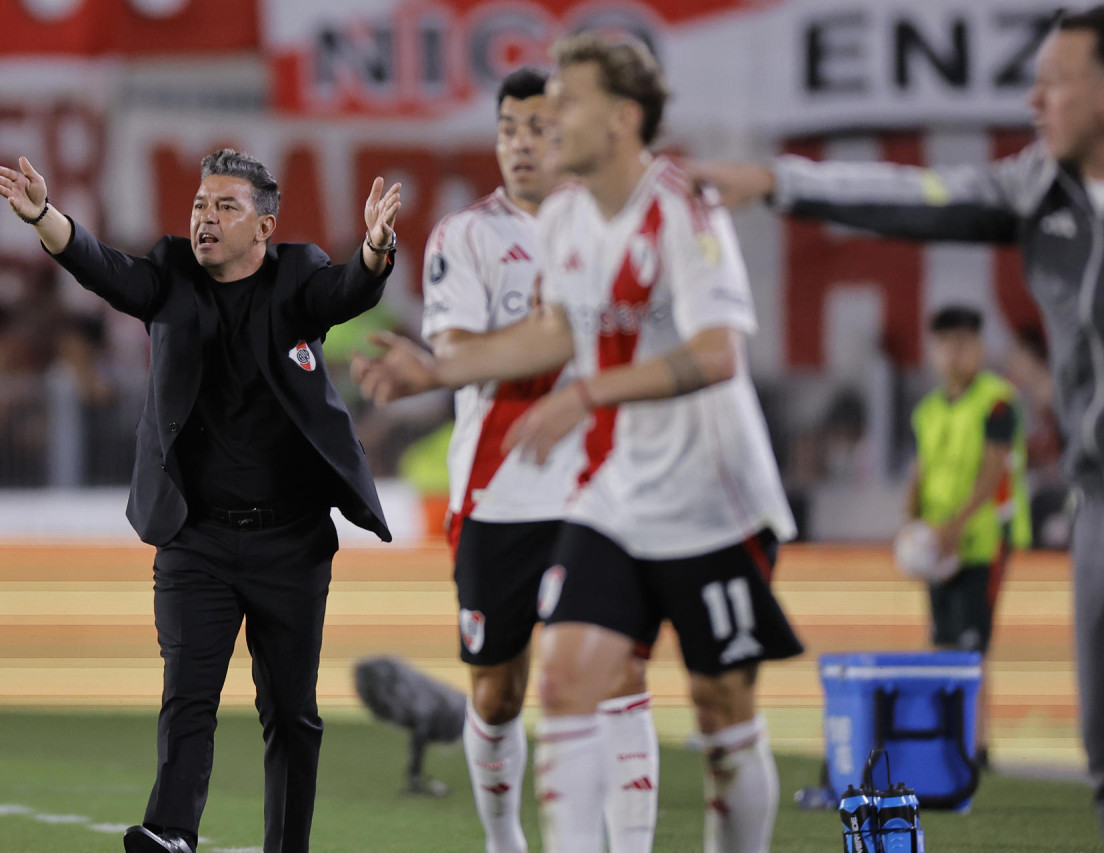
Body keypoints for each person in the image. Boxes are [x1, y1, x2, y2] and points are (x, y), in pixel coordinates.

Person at [356, 34, 802, 853]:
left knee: (722, 709)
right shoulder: (565, 219)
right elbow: (555, 332)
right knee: (563, 681)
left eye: (568, 102)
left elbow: (716, 354)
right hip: (616, 494)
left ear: (623, 118)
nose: (548, 119)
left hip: (711, 493)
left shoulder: (682, 209)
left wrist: (590, 391)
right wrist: (437, 369)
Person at [687, 5, 1104, 835]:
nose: (1035, 100)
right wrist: (782, 181)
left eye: (1055, 82)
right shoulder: (1037, 187)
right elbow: (913, 194)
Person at [0, 149, 400, 853]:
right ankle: (172, 831)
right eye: (200, 207)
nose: (205, 220)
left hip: (291, 540)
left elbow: (347, 294)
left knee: (291, 712)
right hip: (195, 536)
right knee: (188, 693)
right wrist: (44, 217)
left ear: (264, 227)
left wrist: (374, 247)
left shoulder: (297, 277)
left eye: (225, 208)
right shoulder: (171, 274)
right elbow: (104, 269)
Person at [357, 67, 660, 853]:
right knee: (498, 689)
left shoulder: (617, 227)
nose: (520, 145)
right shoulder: (468, 237)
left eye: (537, 129)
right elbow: (455, 352)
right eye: (506, 131)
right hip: (499, 494)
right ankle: (503, 839)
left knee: (620, 678)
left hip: (599, 491)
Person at [908, 305, 1032, 767]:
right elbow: (920, 472)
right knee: (941, 641)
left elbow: (994, 468)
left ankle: (977, 749)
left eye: (965, 343)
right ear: (934, 350)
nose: (956, 353)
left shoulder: (998, 400)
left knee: (972, 647)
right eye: (947, 344)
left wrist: (954, 528)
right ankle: (946, 738)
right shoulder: (929, 410)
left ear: (979, 348)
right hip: (937, 545)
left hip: (982, 542)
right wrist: (910, 521)